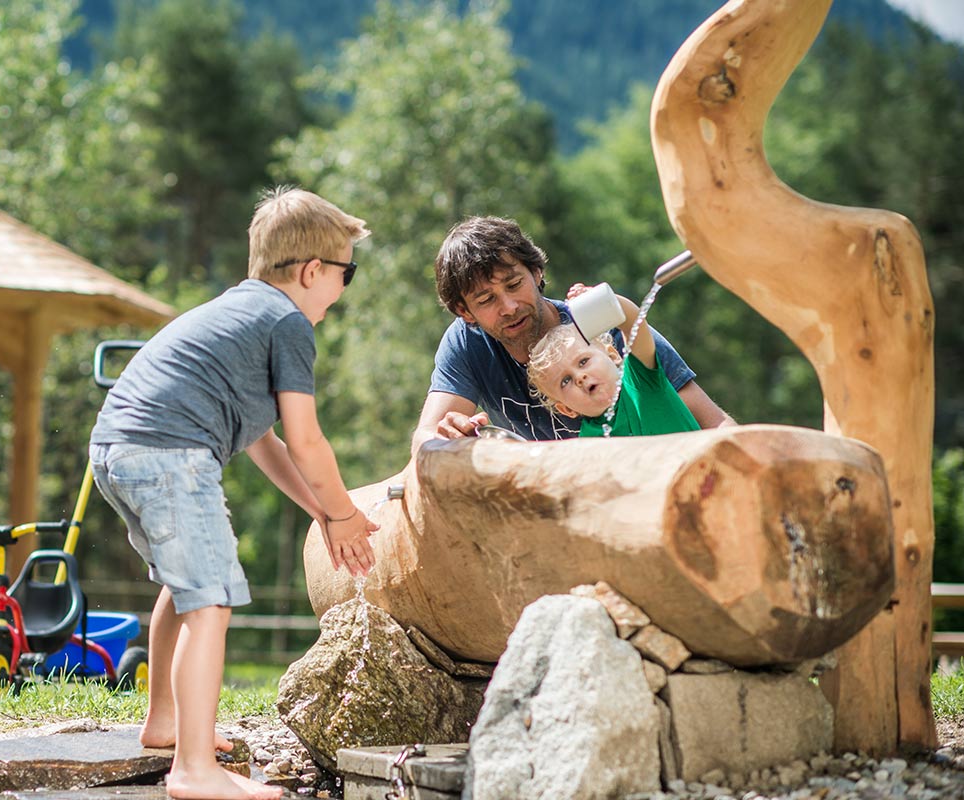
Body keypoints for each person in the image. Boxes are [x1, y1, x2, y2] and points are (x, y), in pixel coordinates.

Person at [89, 186, 378, 800]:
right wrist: (347, 515)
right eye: (346, 274)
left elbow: (264, 441)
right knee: (211, 601)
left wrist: (320, 513)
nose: (343, 291)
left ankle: (166, 723)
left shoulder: (239, 313)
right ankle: (193, 771)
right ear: (312, 271)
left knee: (184, 581)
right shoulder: (288, 324)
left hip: (117, 449)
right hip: (169, 455)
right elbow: (306, 441)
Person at [412, 216, 732, 449]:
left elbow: (714, 423)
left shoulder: (602, 329)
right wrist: (447, 437)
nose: (509, 306)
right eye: (486, 300)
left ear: (536, 273)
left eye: (514, 284)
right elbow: (424, 443)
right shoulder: (467, 345)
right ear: (464, 312)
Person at [524, 288, 700, 437]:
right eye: (565, 381)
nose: (579, 377)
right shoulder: (588, 444)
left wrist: (603, 300)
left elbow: (632, 322)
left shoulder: (641, 382)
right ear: (567, 410)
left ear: (613, 355)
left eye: (583, 361)